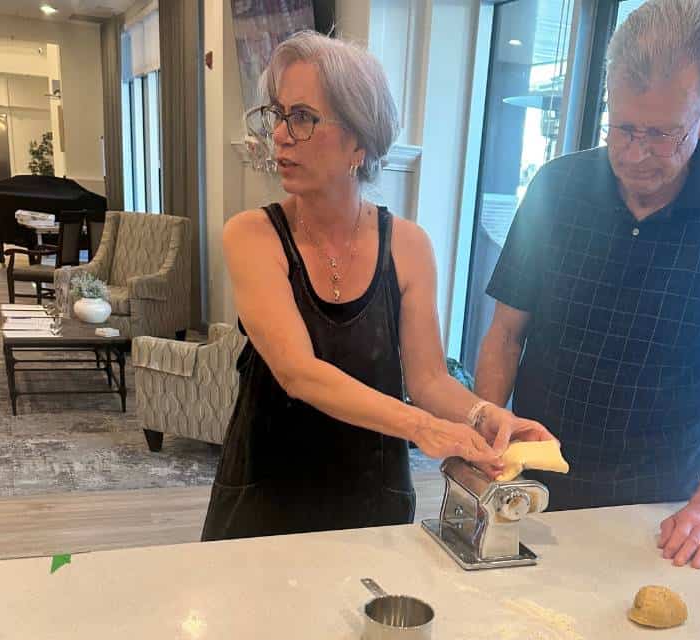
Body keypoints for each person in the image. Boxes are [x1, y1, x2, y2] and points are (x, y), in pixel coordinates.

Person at [203, 31, 553, 541]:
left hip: (371, 493)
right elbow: (300, 374)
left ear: (359, 141)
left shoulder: (408, 246)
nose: (279, 134)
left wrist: (485, 414)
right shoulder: (252, 236)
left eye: (302, 117)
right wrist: (421, 427)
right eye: (277, 114)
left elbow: (429, 379)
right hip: (267, 490)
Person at [475, 0, 700, 569]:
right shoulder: (556, 188)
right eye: (623, 128)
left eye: (663, 134)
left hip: (662, 494)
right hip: (535, 462)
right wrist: (485, 440)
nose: (635, 153)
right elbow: (504, 336)